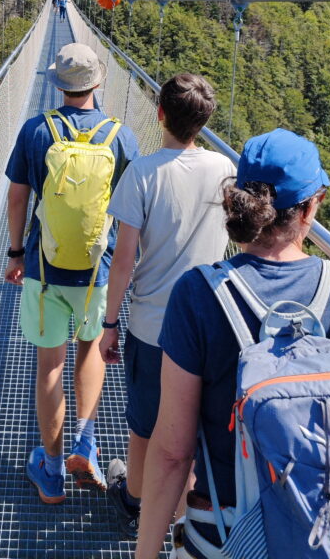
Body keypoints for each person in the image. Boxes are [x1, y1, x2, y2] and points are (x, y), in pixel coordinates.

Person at [135, 128, 330, 559]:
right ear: (312, 206)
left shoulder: (199, 294)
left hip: (227, 535)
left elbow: (171, 452)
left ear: (238, 201)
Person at [99, 73, 236, 539]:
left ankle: (135, 500)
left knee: (146, 426)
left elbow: (122, 261)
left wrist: (109, 322)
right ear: (204, 120)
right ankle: (181, 526)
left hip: (152, 326)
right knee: (191, 436)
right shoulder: (225, 172)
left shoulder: (141, 172)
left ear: (159, 114)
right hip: (212, 327)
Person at [4, 42, 140, 504]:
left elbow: (18, 198)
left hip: (44, 267)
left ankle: (52, 469)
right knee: (90, 354)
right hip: (98, 271)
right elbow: (132, 213)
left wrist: (15, 253)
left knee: (49, 368)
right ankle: (86, 442)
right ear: (99, 82)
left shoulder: (34, 131)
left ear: (57, 83)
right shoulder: (121, 137)